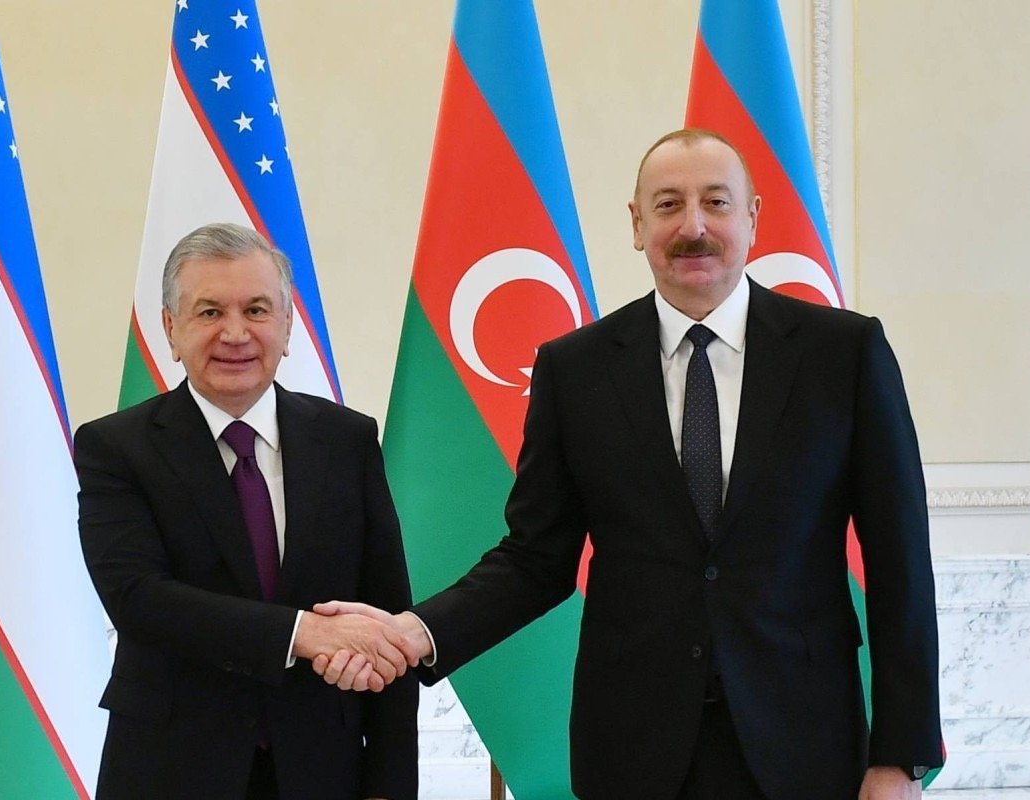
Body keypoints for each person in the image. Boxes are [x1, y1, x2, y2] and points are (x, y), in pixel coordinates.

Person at [315, 130, 943, 799]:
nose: (693, 227)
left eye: (716, 202)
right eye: (668, 205)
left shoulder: (843, 354)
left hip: (805, 743)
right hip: (633, 749)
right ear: (638, 225)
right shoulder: (574, 369)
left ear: (753, 218)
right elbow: (536, 558)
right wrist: (415, 632)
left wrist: (900, 758)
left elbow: (900, 560)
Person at [75, 222, 418, 800]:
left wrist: (390, 785)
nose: (235, 333)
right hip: (171, 769)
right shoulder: (115, 448)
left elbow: (384, 617)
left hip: (324, 769)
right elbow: (139, 599)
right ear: (171, 329)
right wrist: (303, 633)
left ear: (287, 327)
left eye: (257, 310)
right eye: (209, 312)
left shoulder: (347, 439)